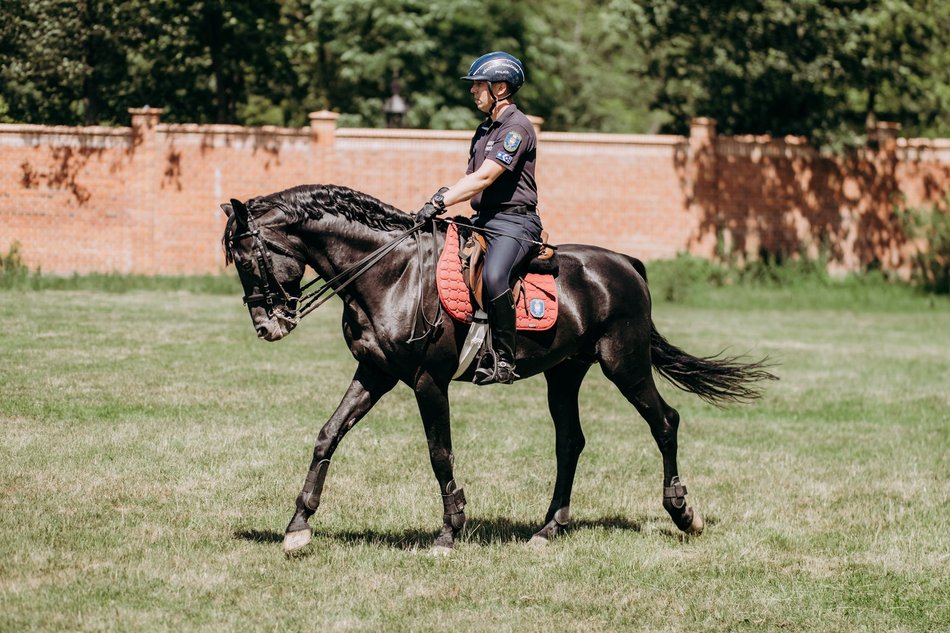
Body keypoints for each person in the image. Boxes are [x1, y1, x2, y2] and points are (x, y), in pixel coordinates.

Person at [416, 51, 542, 385]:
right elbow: (470, 178)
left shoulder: (516, 127)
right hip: (483, 219)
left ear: (500, 87)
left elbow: (485, 177)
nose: (473, 91)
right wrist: (445, 195)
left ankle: (504, 358)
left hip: (515, 224)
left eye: (478, 84)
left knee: (496, 276)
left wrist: (440, 201)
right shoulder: (485, 129)